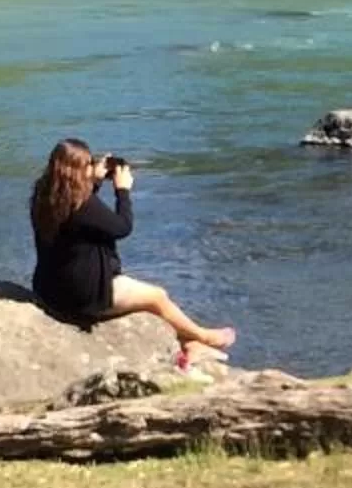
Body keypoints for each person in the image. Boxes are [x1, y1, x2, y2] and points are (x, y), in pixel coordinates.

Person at [28, 137, 236, 363]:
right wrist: (123, 191)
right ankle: (205, 337)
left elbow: (81, 221)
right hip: (81, 297)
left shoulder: (44, 193)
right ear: (77, 171)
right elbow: (121, 227)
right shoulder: (83, 205)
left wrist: (94, 182)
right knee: (157, 297)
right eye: (88, 164)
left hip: (49, 289)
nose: (92, 167)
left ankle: (191, 346)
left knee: (146, 301)